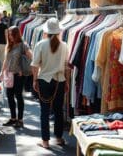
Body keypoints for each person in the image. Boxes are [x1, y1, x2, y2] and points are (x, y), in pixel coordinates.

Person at [31, 18, 69, 149]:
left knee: (44, 111)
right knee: (59, 111)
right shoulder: (64, 45)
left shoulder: (40, 44)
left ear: (47, 31)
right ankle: (58, 138)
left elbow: (35, 65)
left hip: (44, 81)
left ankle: (45, 141)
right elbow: (66, 66)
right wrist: (67, 81)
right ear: (58, 31)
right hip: (60, 80)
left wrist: (34, 80)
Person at [0, 26, 32, 128]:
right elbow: (6, 60)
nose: (10, 37)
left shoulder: (23, 45)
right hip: (9, 74)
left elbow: (31, 57)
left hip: (19, 75)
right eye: (8, 35)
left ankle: (20, 119)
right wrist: (2, 72)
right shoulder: (9, 45)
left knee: (18, 96)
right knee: (9, 96)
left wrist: (23, 69)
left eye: (11, 34)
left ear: (16, 34)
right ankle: (13, 118)